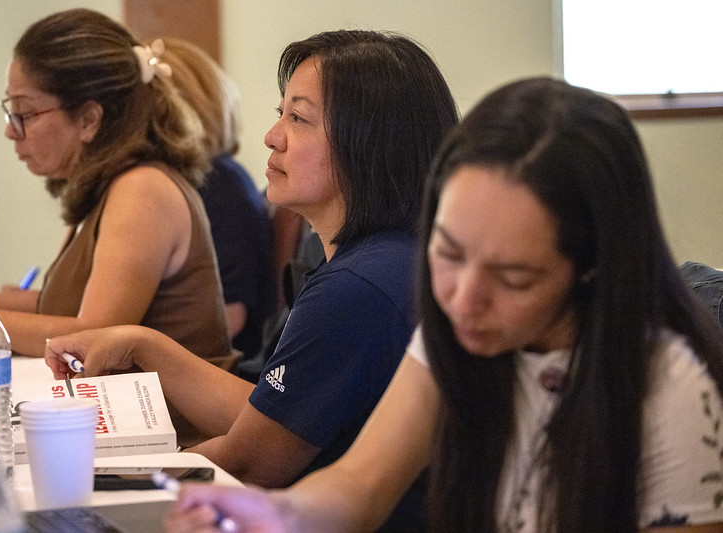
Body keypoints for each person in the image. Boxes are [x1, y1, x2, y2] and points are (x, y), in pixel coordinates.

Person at [163, 77, 723, 533]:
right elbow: (359, 486)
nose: (463, 299)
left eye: (513, 277)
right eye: (448, 253)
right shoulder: (453, 328)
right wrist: (277, 514)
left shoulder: (667, 388)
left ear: (593, 266)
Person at [45, 29, 458, 530]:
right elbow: (274, 416)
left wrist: (83, 481)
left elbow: (249, 461)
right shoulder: (385, 258)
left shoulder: (358, 287)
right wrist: (142, 345)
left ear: (368, 143)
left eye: (299, 118)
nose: (272, 135)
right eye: (281, 113)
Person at [0, 9, 235, 370]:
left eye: (24, 113)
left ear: (89, 119)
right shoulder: (102, 186)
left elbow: (92, 335)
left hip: (175, 423)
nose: (11, 131)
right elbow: (60, 305)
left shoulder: (142, 189)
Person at [161, 38, 274, 363]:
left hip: (227, 365)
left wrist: (141, 341)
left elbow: (231, 316)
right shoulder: (200, 180)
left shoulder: (220, 184)